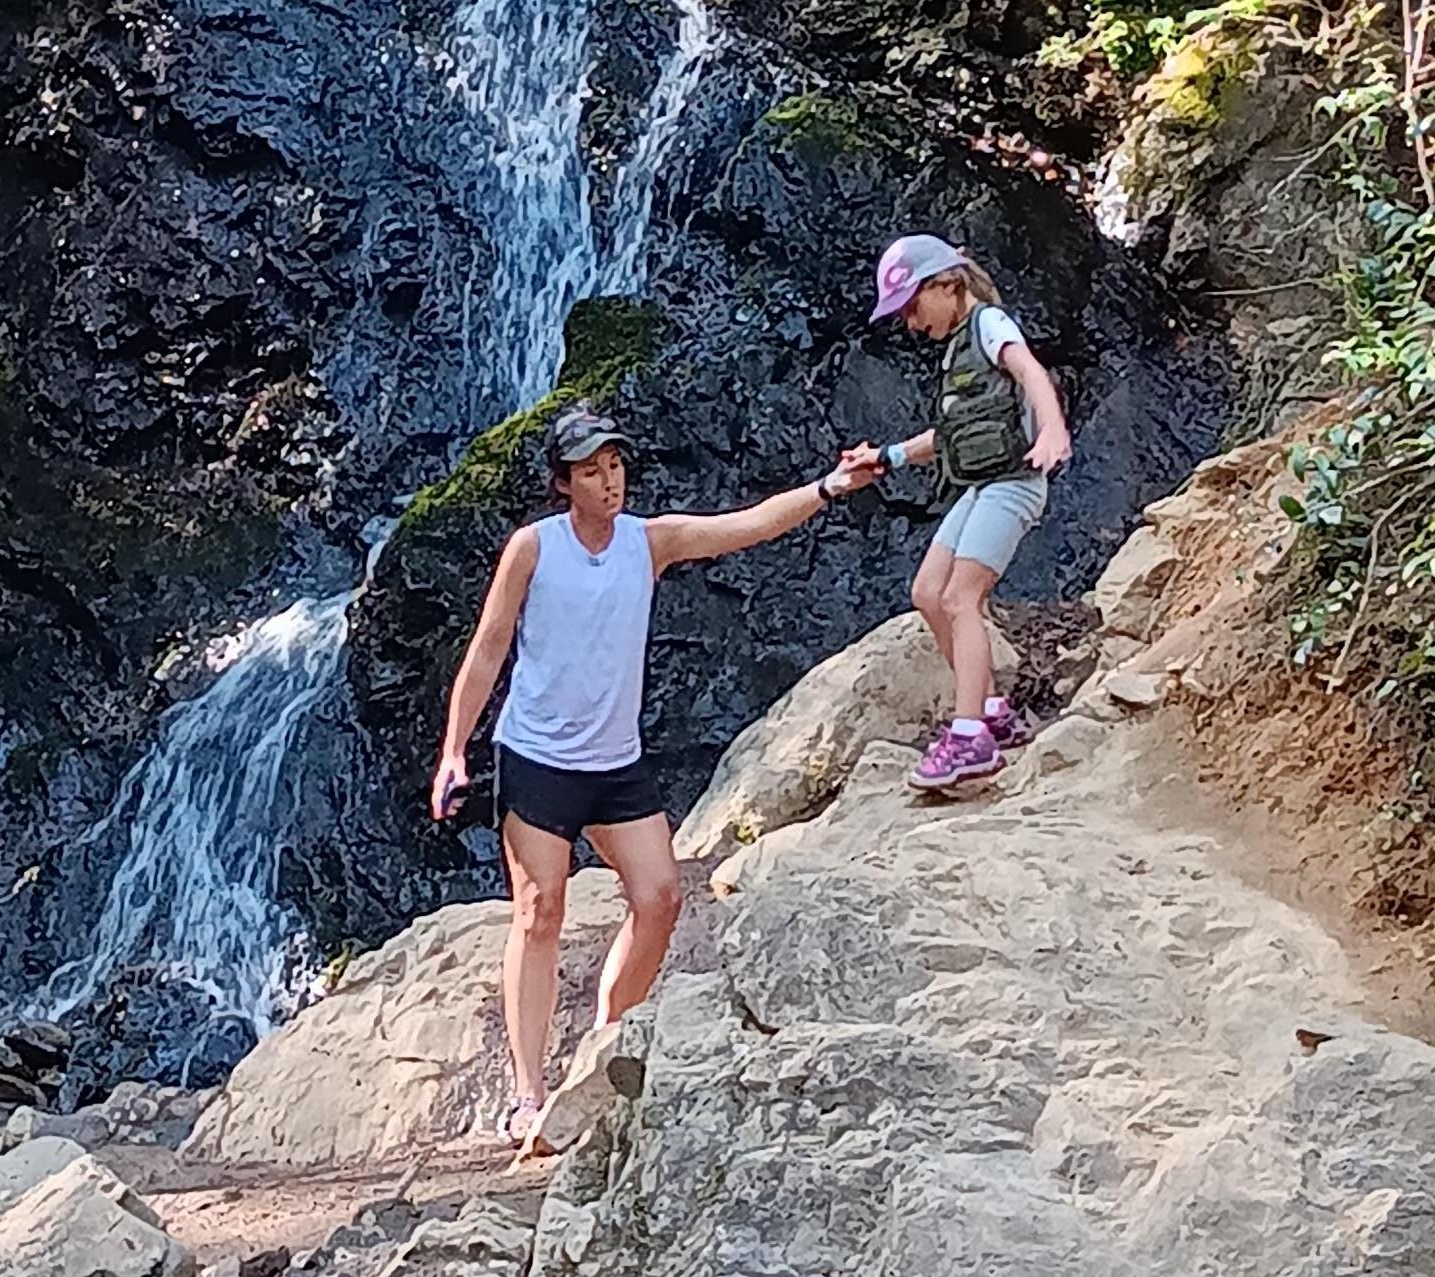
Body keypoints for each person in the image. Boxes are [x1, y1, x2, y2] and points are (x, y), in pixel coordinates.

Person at [428, 404, 883, 1148]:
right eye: (591, 473)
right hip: (537, 756)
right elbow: (487, 650)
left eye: (614, 467)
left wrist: (831, 486)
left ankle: (605, 1045)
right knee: (540, 910)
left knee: (661, 896)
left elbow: (751, 523)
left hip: (614, 762)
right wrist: (455, 749)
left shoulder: (650, 541)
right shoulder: (533, 549)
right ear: (563, 483)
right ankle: (528, 1092)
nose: (609, 482)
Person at [848, 234, 1072, 796]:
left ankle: (970, 735)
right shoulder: (957, 350)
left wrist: (1053, 430)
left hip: (1013, 485)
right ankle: (993, 709)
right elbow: (947, 434)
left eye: (911, 308)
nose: (911, 324)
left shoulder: (990, 325)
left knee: (960, 598)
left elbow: (1031, 373)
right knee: (928, 591)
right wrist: (887, 457)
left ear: (945, 285)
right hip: (980, 487)